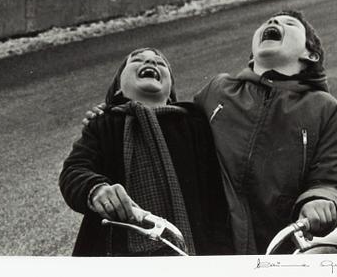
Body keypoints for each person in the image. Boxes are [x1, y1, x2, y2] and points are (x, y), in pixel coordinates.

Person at [82, 11, 337, 255]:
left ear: (310, 54)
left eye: (289, 24)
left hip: (278, 243)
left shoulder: (326, 109)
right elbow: (166, 121)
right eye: (270, 21)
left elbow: (330, 179)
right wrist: (112, 112)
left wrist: (321, 201)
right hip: (216, 242)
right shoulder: (218, 89)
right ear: (253, 50)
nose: (275, 21)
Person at [59, 48, 234, 256]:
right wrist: (95, 189)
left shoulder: (193, 123)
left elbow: (215, 196)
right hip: (114, 251)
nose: (151, 61)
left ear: (171, 93)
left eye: (160, 63)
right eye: (137, 60)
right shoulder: (104, 124)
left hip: (191, 250)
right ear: (118, 89)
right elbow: (74, 170)